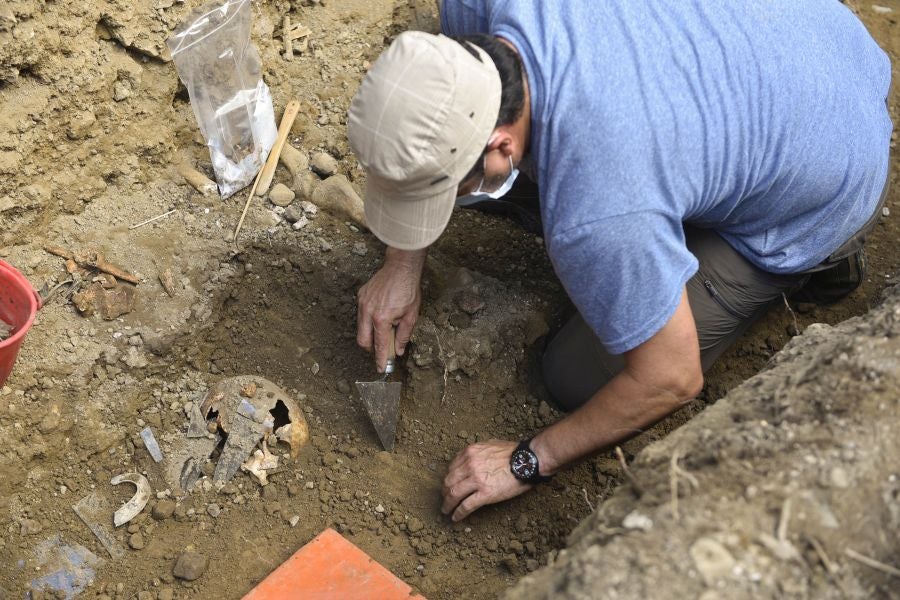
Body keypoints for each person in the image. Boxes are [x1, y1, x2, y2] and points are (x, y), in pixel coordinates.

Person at [347, 1, 892, 522]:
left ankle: (827, 258)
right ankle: (677, 202)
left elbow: (670, 378)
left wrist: (526, 461)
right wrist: (402, 266)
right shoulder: (474, 20)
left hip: (832, 165)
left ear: (500, 146)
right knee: (514, 198)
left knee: (573, 376)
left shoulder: (599, 207)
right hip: (805, 30)